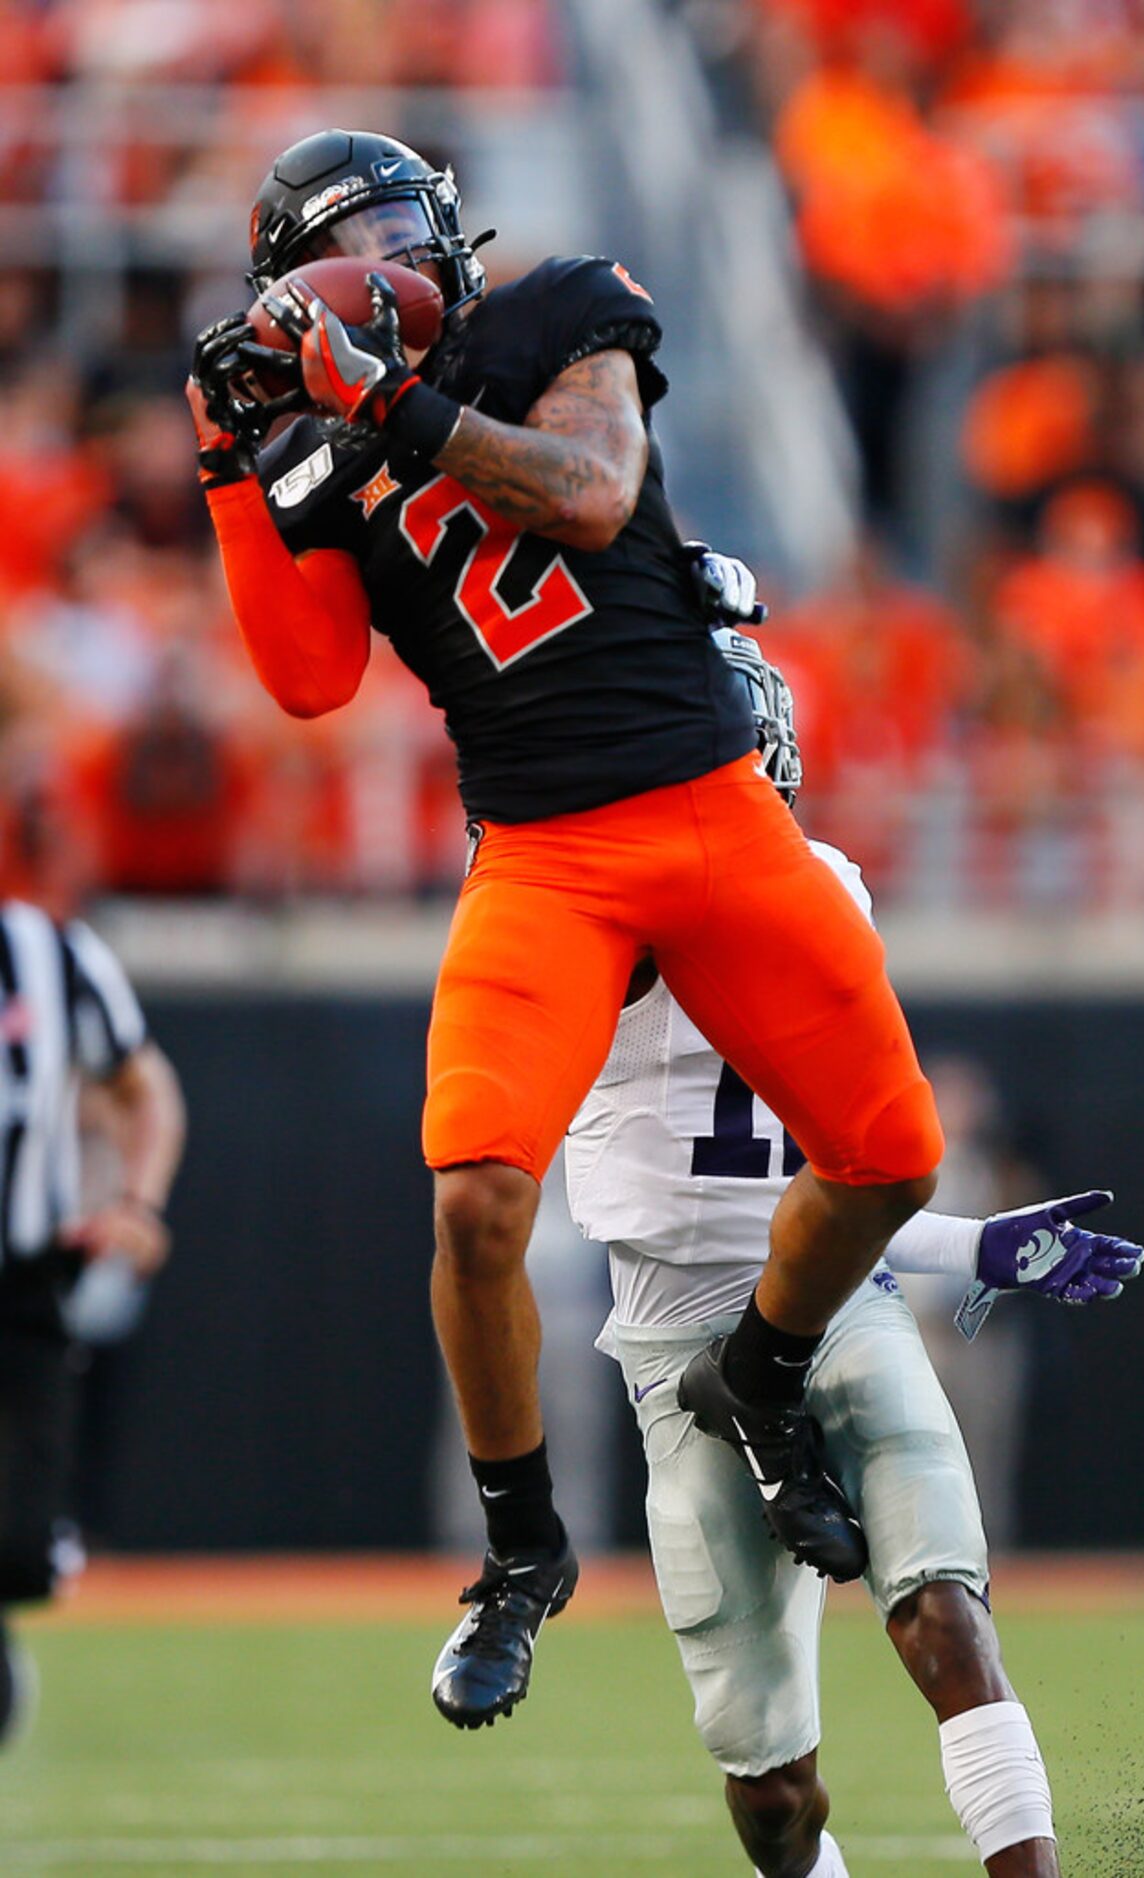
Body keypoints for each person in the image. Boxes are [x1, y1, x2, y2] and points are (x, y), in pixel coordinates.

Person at [187, 128, 946, 1729]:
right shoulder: (312, 448)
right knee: (473, 1198)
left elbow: (596, 498)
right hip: (538, 848)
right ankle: (522, 1553)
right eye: (347, 242)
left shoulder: (557, 316)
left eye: (400, 225)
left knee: (891, 1154)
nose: (382, 259)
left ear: (450, 239)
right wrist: (228, 468)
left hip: (709, 801)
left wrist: (388, 404)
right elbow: (313, 680)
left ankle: (761, 1367)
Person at [565, 615, 1144, 1878]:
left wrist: (971, 1251)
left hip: (836, 1303)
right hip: (677, 1349)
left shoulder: (825, 887)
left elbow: (843, 1173)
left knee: (946, 1616)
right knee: (772, 1790)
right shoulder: (583, 904)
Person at [0, 899, 185, 1745]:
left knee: (17, 1548)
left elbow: (147, 1089)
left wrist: (137, 1204)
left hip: (21, 1285)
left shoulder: (53, 955)